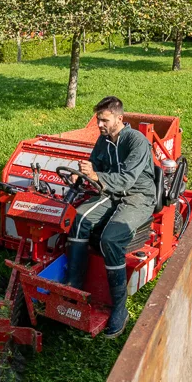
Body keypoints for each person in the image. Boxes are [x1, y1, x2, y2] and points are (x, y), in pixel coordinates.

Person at [66, 96, 156, 338]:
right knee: (81, 219)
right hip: (110, 190)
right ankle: (73, 288)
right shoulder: (103, 140)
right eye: (98, 120)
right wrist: (81, 174)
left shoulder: (137, 141)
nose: (99, 124)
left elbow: (127, 180)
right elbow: (95, 164)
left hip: (138, 195)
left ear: (120, 118)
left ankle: (119, 307)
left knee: (111, 239)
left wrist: (97, 177)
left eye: (104, 120)